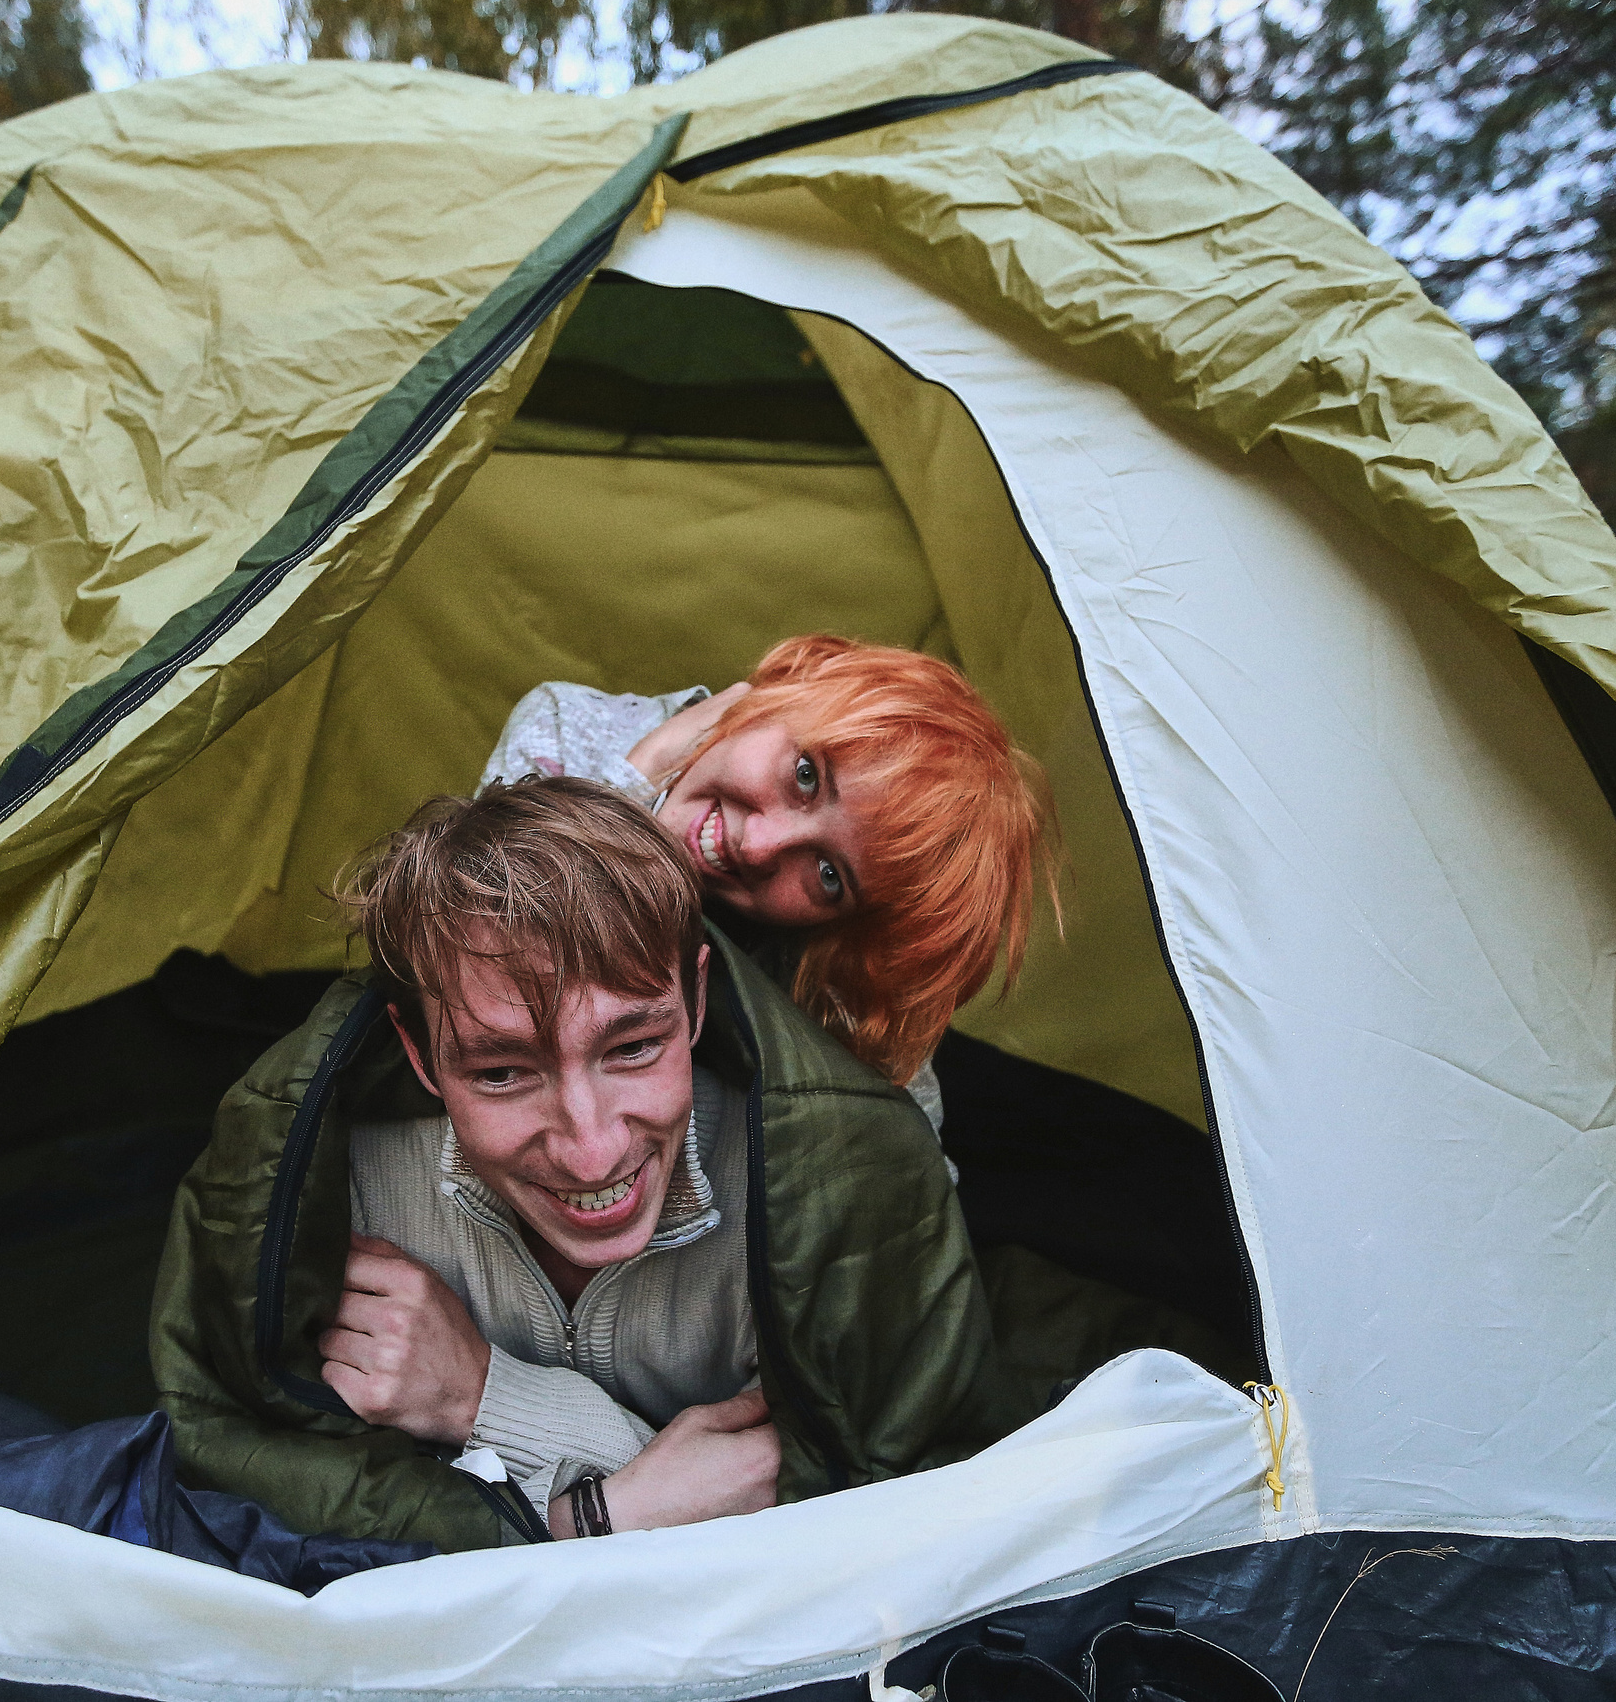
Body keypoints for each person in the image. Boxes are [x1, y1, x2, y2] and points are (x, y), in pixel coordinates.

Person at [150, 776, 1012, 1548]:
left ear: (698, 1000)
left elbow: (871, 1522)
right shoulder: (345, 1187)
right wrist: (613, 1507)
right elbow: (246, 1454)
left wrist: (488, 1404)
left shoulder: (820, 1193)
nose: (591, 1145)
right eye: (501, 1071)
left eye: (634, 1046)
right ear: (418, 1056)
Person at [480, 633, 1055, 1113]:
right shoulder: (566, 733)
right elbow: (491, 967)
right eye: (806, 775)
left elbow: (903, 1165)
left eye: (829, 876)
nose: (758, 846)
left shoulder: (822, 971)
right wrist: (639, 777)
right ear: (786, 691)